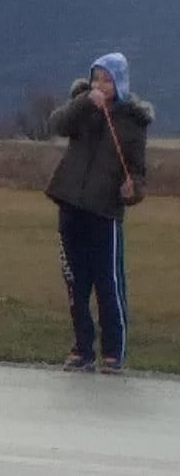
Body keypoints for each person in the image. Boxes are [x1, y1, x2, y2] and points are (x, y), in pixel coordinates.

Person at [45, 52, 152, 374]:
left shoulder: (133, 121)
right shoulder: (81, 108)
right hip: (71, 205)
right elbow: (57, 125)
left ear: (119, 82)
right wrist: (83, 102)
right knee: (75, 282)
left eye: (107, 80)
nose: (100, 85)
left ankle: (113, 352)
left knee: (108, 283)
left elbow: (138, 171)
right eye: (96, 78)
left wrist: (134, 190)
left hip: (105, 211)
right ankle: (82, 349)